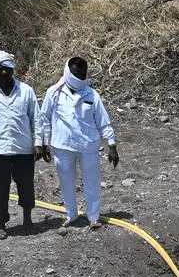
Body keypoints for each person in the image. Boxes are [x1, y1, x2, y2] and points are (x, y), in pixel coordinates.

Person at [39, 56, 119, 230]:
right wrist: (43, 143)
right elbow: (44, 119)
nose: (79, 77)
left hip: (88, 145)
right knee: (66, 181)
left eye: (83, 74)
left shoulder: (92, 94)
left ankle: (93, 216)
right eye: (76, 73)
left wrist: (111, 144)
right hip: (62, 145)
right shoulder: (54, 92)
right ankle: (71, 215)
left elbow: (103, 121)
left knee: (92, 181)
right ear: (68, 71)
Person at [0, 51, 44, 240]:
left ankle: (27, 219)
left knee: (26, 185)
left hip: (23, 148)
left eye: (7, 68)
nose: (4, 71)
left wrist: (38, 143)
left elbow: (36, 118)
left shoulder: (26, 91)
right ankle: (1, 224)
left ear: (13, 70)